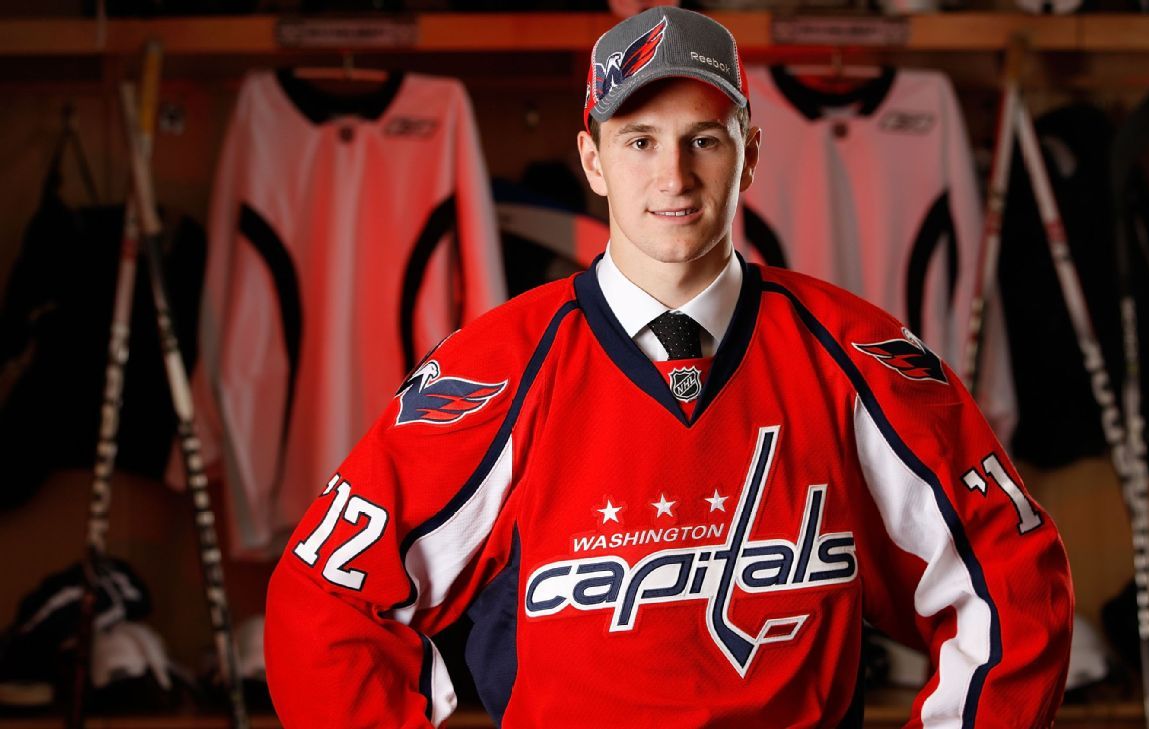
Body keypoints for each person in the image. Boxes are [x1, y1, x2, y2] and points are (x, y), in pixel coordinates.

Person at [265, 7, 1073, 727]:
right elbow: (323, 601)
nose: (674, 177)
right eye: (640, 141)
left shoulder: (854, 352)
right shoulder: (496, 368)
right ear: (592, 159)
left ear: (750, 154)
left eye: (705, 141)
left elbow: (1016, 576)